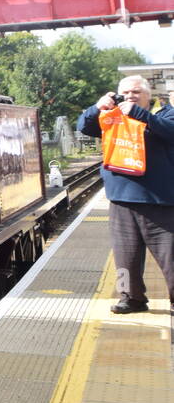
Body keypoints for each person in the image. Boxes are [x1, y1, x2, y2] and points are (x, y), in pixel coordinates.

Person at [77, 76, 174, 314]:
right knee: (124, 256)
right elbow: (85, 126)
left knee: (170, 257)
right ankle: (131, 298)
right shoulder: (113, 118)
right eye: (126, 92)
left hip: (158, 200)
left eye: (137, 92)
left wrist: (139, 114)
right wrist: (97, 107)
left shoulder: (165, 114)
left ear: (148, 95)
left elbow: (169, 132)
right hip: (121, 198)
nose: (131, 96)